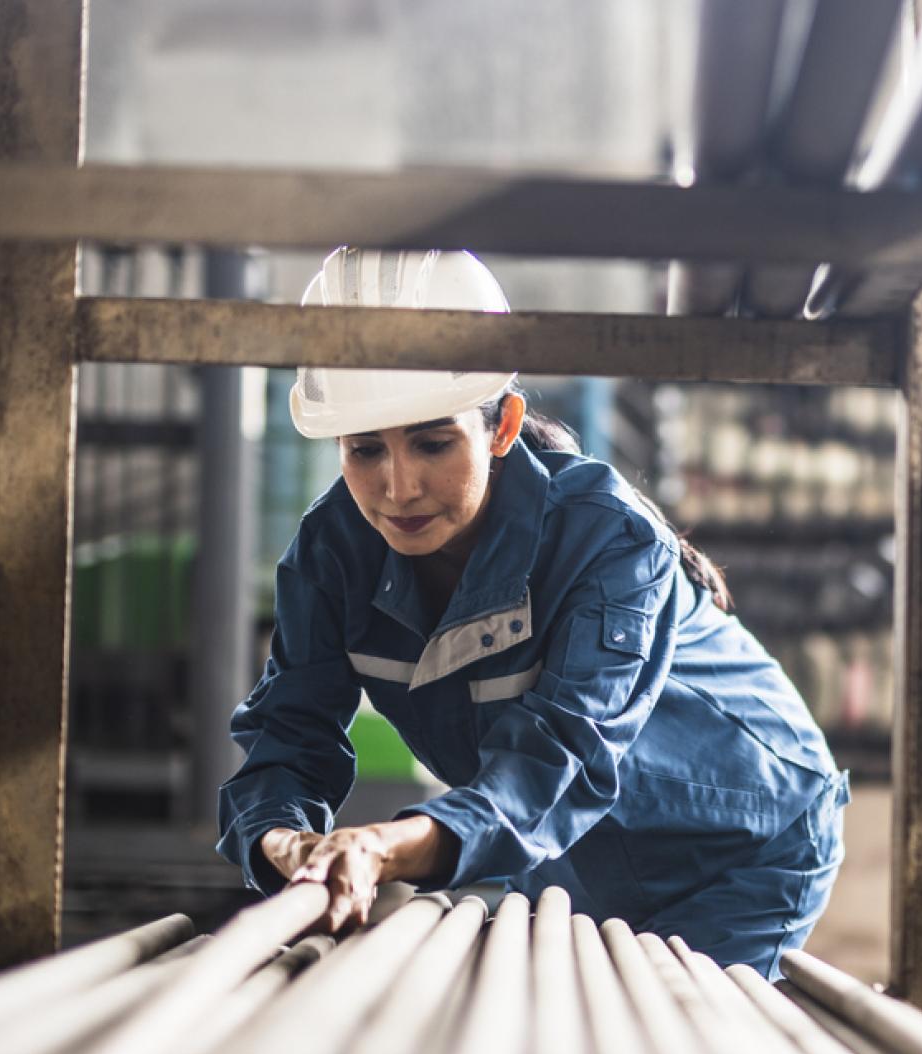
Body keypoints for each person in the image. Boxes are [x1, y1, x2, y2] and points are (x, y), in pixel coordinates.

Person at [217, 247, 848, 978]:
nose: (398, 487)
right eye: (364, 451)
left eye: (432, 442)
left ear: (503, 425)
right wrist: (288, 844)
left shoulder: (607, 539)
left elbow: (561, 755)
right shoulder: (331, 556)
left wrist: (385, 849)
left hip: (745, 844)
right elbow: (288, 739)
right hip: (569, 854)